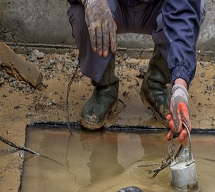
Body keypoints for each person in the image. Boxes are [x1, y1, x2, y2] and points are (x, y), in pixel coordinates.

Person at [67, 0, 205, 142]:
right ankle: (105, 87)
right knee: (82, 11)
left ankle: (155, 85)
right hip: (111, 4)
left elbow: (183, 12)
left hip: (156, 8)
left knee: (196, 9)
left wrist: (180, 89)